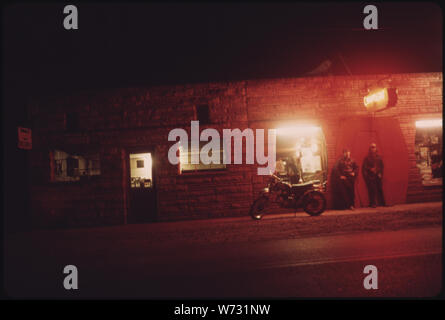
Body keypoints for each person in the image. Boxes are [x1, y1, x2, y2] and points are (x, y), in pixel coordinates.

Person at [362, 143, 386, 207]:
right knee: (372, 190)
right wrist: (370, 170)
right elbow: (364, 167)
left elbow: (381, 166)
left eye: (374, 147)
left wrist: (380, 173)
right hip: (371, 176)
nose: (373, 149)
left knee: (379, 189)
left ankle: (381, 203)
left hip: (378, 175)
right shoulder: (367, 158)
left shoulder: (379, 157)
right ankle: (373, 203)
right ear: (370, 149)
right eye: (372, 147)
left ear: (376, 148)